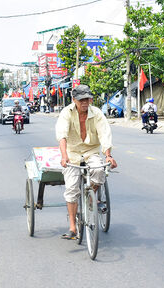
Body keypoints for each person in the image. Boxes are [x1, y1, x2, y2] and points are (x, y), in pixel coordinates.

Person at [55, 84, 118, 240]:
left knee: (99, 171)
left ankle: (91, 195)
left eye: (87, 99)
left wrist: (108, 155)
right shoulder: (66, 113)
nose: (85, 102)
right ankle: (72, 227)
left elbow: (104, 134)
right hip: (72, 152)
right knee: (71, 188)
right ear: (74, 100)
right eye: (81, 99)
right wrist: (64, 156)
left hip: (91, 152)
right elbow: (62, 135)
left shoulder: (96, 113)